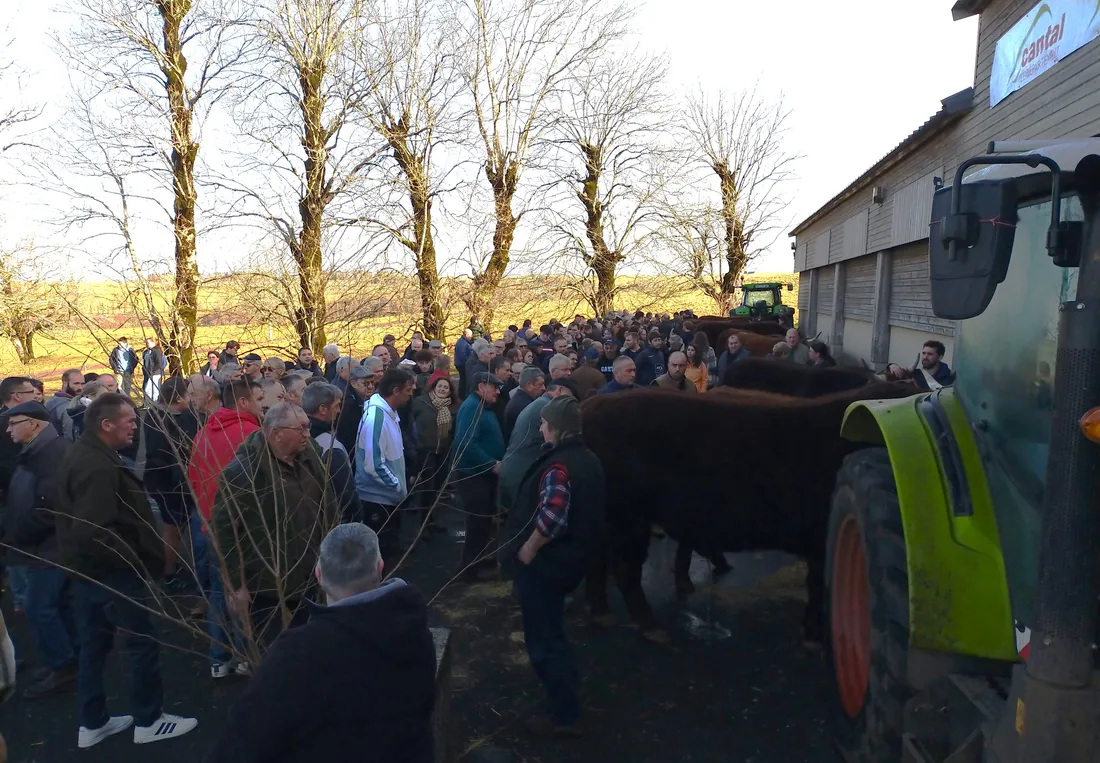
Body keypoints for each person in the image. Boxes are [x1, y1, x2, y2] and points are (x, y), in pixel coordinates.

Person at [204, 523, 436, 763]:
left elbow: (241, 743)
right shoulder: (412, 627)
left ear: (318, 574)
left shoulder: (298, 654)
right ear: (380, 567)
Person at [55, 393, 198, 747]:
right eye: (130, 420)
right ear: (106, 425)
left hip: (90, 573)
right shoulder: (97, 466)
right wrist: (134, 558)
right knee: (140, 644)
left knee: (95, 646)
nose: (136, 426)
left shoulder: (86, 454)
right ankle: (149, 720)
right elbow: (94, 530)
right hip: (112, 575)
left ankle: (93, 722)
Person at [499, 395, 604, 736]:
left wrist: (528, 550)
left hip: (548, 566)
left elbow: (553, 517)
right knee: (554, 632)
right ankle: (567, 691)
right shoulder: (588, 458)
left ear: (557, 428)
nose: (541, 429)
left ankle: (564, 716)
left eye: (544, 424)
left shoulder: (559, 466)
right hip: (571, 561)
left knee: (544, 641)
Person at [212, 403, 339, 649]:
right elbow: (225, 531)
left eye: (308, 427)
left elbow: (329, 504)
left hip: (312, 573)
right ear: (276, 433)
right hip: (268, 583)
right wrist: (236, 586)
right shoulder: (243, 472)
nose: (308, 434)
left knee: (312, 643)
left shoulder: (310, 455)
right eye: (301, 428)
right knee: (272, 650)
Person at [1, 401, 77, 700]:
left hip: (47, 549)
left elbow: (50, 508)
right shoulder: (35, 451)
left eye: (13, 423)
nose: (8, 430)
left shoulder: (51, 454)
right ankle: (68, 659)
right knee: (55, 606)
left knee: (40, 608)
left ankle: (63, 666)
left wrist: (18, 532)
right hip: (41, 547)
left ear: (33, 424)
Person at [143, 376, 205, 595]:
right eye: (189, 394)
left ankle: (171, 568)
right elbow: (167, 454)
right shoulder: (166, 419)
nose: (192, 399)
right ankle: (168, 573)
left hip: (163, 481)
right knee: (173, 530)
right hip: (170, 485)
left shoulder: (155, 414)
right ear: (178, 397)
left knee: (175, 528)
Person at [355, 369, 415, 564]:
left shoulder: (390, 413)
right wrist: (397, 486)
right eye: (408, 390)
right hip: (378, 500)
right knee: (380, 557)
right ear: (395, 390)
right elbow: (373, 465)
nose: (411, 394)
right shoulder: (376, 418)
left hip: (387, 498)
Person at [452, 371, 506, 581]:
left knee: (483, 522)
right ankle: (469, 571)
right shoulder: (472, 408)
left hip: (482, 476)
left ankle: (479, 559)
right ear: (481, 386)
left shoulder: (482, 406)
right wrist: (491, 464)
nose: (498, 391)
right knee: (477, 523)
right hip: (473, 476)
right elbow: (466, 443)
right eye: (495, 387)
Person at [498, 379, 577, 520]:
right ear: (559, 390)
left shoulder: (538, 403)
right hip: (521, 473)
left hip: (512, 470)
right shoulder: (549, 408)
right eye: (568, 398)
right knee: (525, 522)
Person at [410, 371, 459, 534]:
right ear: (433, 387)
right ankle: (424, 524)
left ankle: (432, 519)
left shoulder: (454, 406)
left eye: (446, 387)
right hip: (425, 452)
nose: (443, 389)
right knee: (427, 488)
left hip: (443, 453)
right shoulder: (421, 402)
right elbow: (410, 424)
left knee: (437, 487)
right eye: (440, 386)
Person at [335, 365, 373, 455]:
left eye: (372, 382)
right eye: (366, 383)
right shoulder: (348, 406)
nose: (371, 386)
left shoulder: (368, 399)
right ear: (353, 383)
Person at [888, 340, 953, 390]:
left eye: (930, 354)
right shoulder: (915, 374)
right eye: (924, 353)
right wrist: (892, 366)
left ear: (940, 357)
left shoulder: (948, 378)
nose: (925, 357)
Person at [504, 367, 545, 440]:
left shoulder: (521, 400)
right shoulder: (523, 406)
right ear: (529, 385)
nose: (543, 388)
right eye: (540, 384)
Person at [45, 369, 83, 440]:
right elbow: (71, 437)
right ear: (65, 383)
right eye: (76, 384)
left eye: (82, 384)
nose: (80, 387)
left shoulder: (51, 400)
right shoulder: (67, 406)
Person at [141, 338, 167, 403]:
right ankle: (147, 404)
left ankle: (155, 404)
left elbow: (159, 363)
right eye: (146, 343)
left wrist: (153, 371)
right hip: (148, 373)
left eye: (148, 342)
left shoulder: (156, 351)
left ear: (153, 343)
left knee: (152, 390)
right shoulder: (147, 351)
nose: (147, 344)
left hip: (155, 374)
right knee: (147, 389)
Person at [454, 328, 475, 397]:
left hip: (460, 363)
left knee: (463, 379)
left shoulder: (463, 341)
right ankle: (462, 395)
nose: (471, 336)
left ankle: (461, 394)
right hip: (462, 364)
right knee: (464, 380)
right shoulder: (462, 343)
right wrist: (468, 362)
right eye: (471, 335)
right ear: (467, 335)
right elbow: (462, 355)